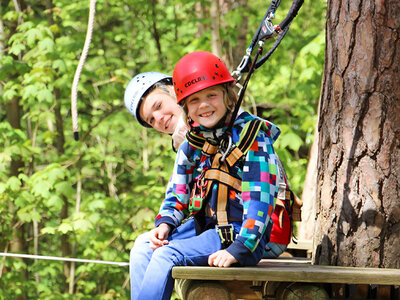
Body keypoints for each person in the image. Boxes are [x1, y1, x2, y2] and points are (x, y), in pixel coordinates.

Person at [129, 51, 283, 300]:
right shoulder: (194, 139)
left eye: (211, 95)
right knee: (143, 248)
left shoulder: (251, 136)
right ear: (186, 108)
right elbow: (178, 193)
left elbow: (260, 200)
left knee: (166, 255)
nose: (203, 105)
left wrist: (240, 248)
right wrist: (166, 224)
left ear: (227, 94)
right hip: (208, 229)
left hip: (241, 234)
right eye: (194, 100)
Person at [124, 71, 188, 151]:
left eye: (159, 106)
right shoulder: (183, 154)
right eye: (151, 120)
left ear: (173, 90)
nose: (158, 118)